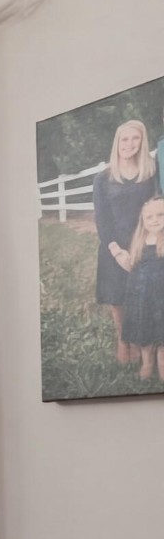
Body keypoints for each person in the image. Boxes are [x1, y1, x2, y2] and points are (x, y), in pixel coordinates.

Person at [92, 120, 158, 363]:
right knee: (117, 297)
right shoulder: (103, 179)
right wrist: (117, 251)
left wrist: (147, 244)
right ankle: (123, 340)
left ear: (142, 142)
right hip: (114, 246)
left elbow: (156, 209)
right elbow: (102, 218)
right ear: (117, 143)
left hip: (145, 242)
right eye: (124, 139)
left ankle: (148, 345)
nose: (129, 144)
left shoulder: (151, 173)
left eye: (135, 138)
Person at [119, 195, 164, 379]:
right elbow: (131, 266)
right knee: (145, 335)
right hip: (142, 298)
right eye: (150, 217)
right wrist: (118, 254)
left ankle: (162, 367)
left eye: (161, 215)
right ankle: (147, 364)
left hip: (162, 300)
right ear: (143, 221)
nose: (155, 220)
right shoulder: (139, 242)